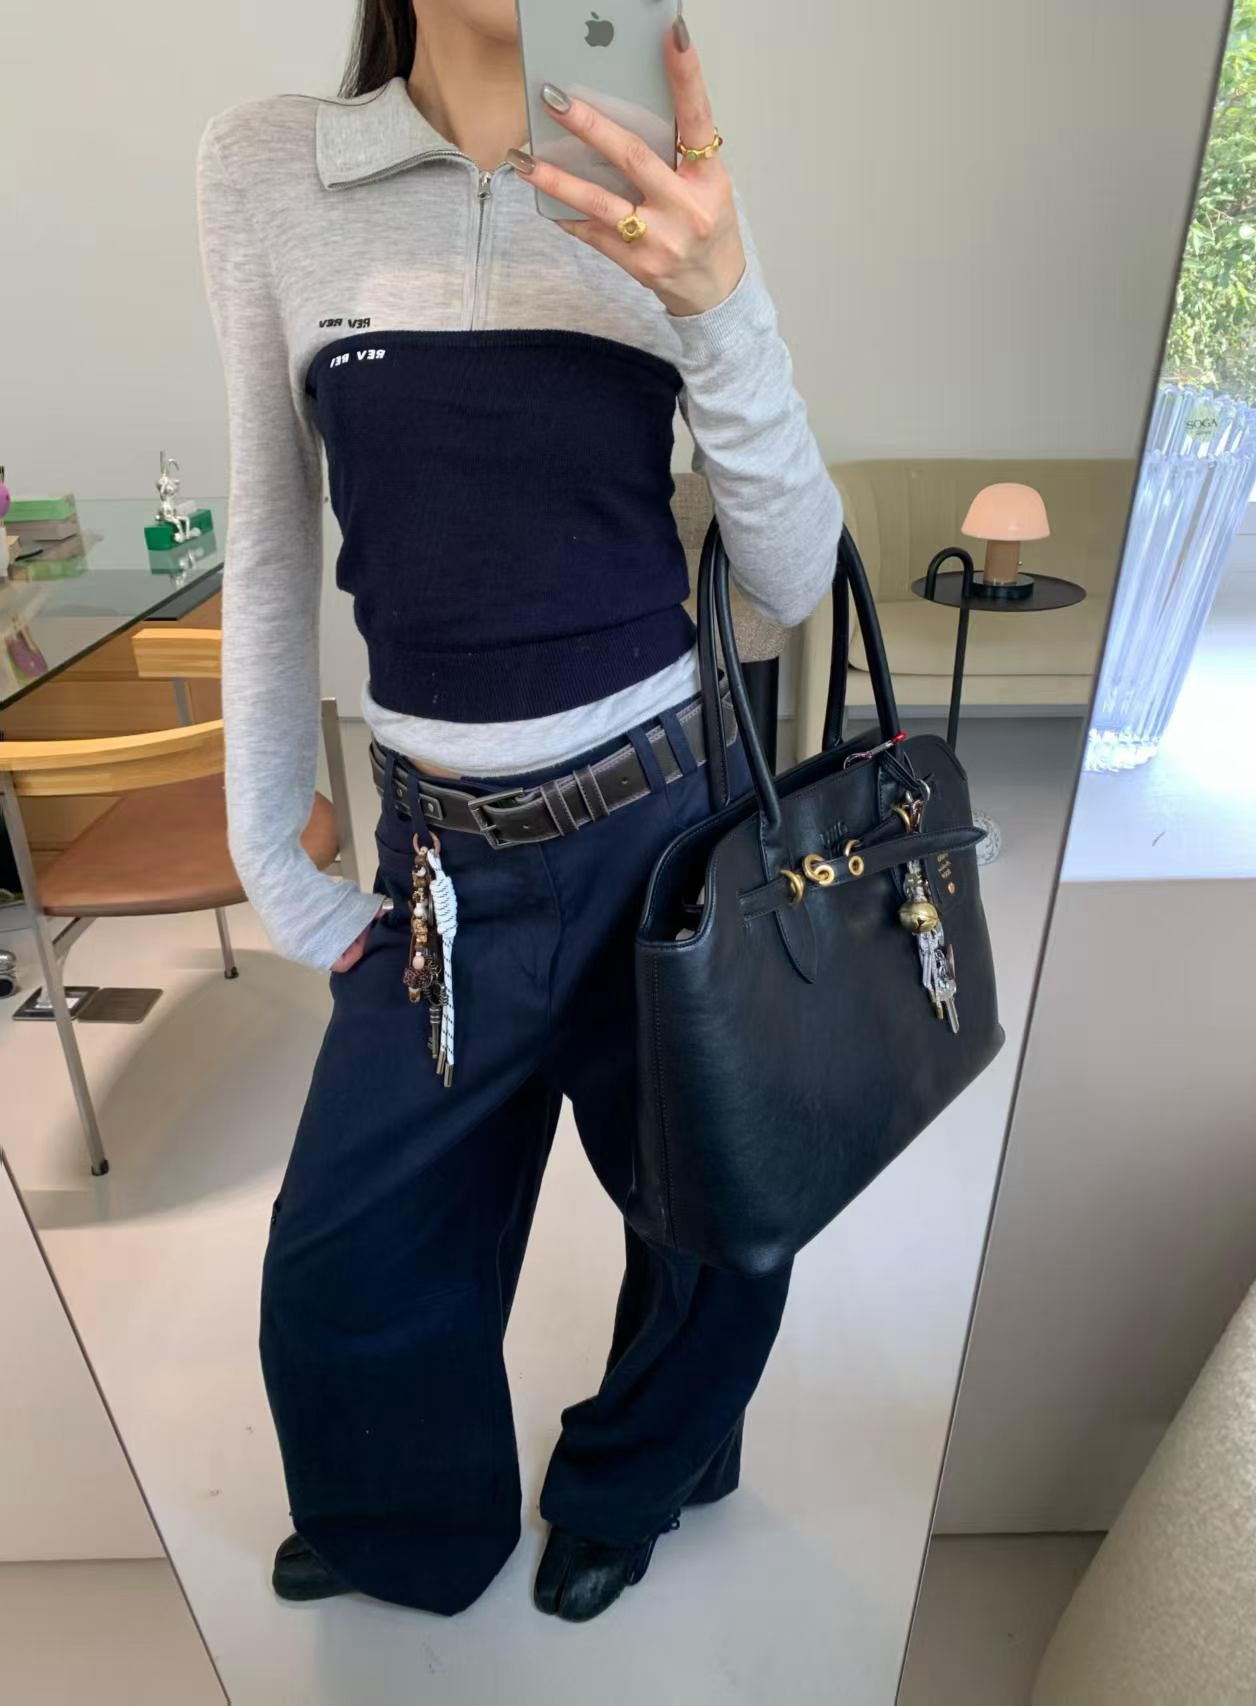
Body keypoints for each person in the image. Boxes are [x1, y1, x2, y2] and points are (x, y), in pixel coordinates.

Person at [196, 0, 842, 1625]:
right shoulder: (272, 169)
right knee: (343, 1265)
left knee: (721, 1230)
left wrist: (722, 297)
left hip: (661, 833)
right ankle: (405, 1514)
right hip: (437, 861)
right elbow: (268, 540)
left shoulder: (656, 179)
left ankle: (631, 1480)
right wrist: (275, 852)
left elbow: (788, 577)